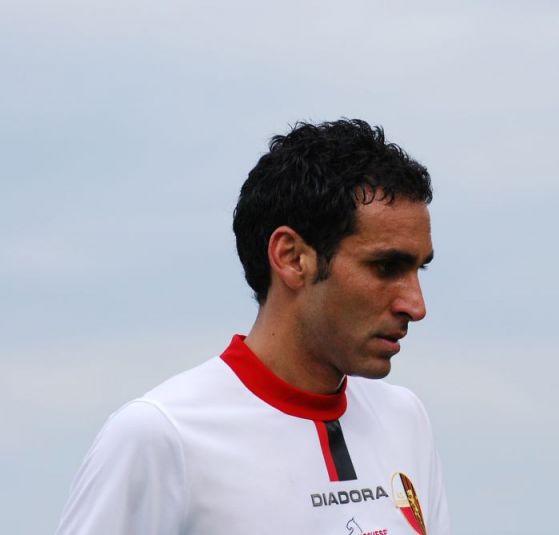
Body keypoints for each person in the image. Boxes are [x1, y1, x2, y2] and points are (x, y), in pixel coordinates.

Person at [56, 119, 450, 535]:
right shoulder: (159, 435)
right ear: (292, 258)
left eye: (419, 269)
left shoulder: (405, 420)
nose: (416, 306)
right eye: (386, 267)